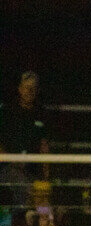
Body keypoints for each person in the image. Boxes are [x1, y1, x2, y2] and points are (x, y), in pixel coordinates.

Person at [0, 71, 52, 210]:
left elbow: (44, 146)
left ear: (38, 91)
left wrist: (46, 177)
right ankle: (28, 216)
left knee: (44, 194)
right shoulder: (7, 111)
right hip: (7, 168)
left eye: (33, 88)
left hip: (32, 170)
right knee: (28, 189)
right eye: (26, 87)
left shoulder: (41, 112)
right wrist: (12, 160)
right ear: (19, 89)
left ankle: (39, 219)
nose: (29, 91)